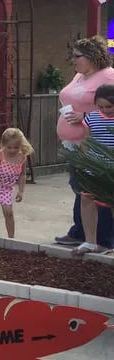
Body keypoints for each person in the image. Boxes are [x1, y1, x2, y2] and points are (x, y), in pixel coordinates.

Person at [54, 37, 114, 248]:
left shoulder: (108, 76)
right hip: (74, 144)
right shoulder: (80, 75)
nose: (73, 60)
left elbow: (109, 107)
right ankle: (80, 231)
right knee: (80, 189)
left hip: (94, 144)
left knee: (98, 191)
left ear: (92, 57)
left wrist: (86, 115)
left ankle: (102, 237)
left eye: (77, 56)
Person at [72, 84, 114, 255]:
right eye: (101, 106)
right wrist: (82, 163)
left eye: (110, 106)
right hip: (93, 169)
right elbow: (86, 141)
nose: (105, 110)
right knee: (87, 201)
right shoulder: (91, 118)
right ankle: (90, 242)